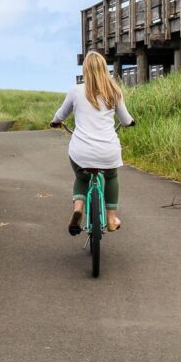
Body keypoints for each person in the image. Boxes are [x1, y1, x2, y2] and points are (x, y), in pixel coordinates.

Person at [50, 51, 135, 236]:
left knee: (82, 178)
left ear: (85, 70)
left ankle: (78, 209)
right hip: (108, 150)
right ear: (105, 69)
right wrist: (130, 123)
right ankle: (112, 218)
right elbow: (126, 119)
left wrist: (55, 121)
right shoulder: (114, 91)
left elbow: (61, 114)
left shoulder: (75, 91)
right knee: (111, 176)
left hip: (82, 151)